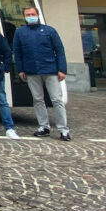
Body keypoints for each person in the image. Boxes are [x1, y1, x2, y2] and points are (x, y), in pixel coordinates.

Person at [13, 7, 70, 141]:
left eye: (33, 14)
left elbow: (60, 50)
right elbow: (17, 52)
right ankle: (43, 127)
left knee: (56, 99)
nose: (31, 16)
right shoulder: (20, 32)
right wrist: (20, 69)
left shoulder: (50, 30)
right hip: (31, 71)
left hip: (50, 70)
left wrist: (62, 69)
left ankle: (63, 129)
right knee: (38, 100)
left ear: (37, 15)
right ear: (24, 17)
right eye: (28, 14)